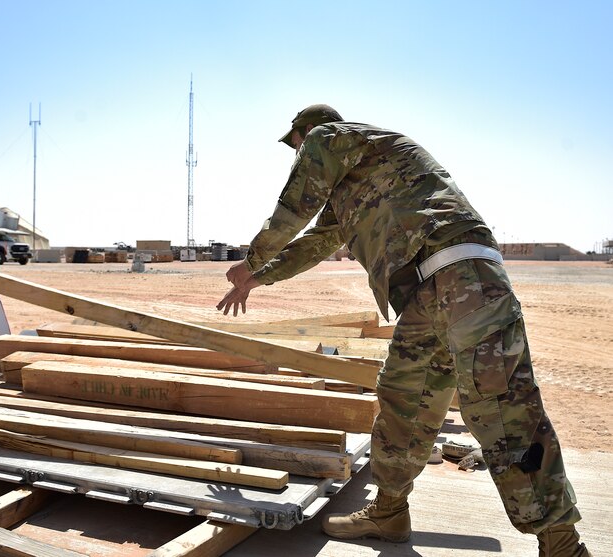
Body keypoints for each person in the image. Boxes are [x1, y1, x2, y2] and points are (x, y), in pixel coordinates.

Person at [217, 104, 590, 556]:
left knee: (502, 408)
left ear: (307, 131)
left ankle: (561, 544)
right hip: (422, 297)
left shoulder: (330, 137)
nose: (297, 155)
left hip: (463, 277)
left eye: (295, 146)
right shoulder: (352, 183)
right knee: (403, 401)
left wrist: (253, 258)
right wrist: (257, 278)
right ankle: (389, 511)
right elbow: (315, 243)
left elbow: (295, 206)